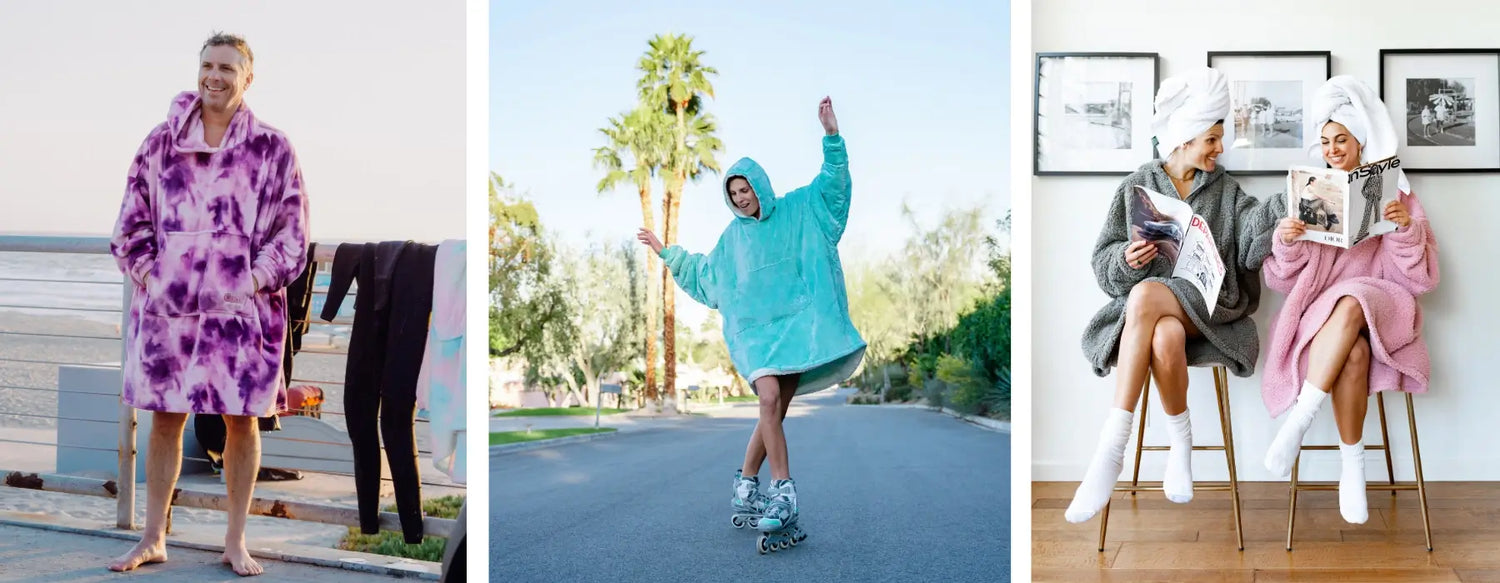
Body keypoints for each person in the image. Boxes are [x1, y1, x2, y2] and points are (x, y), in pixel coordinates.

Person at [107, 32, 310, 576]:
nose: (214, 76)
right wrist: (153, 276)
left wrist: (250, 283)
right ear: (197, 70)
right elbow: (130, 221)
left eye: (226, 67)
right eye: (207, 65)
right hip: (167, 315)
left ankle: (235, 541)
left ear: (247, 77)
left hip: (240, 317)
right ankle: (152, 536)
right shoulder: (160, 143)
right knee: (165, 420)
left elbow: (292, 235)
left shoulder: (273, 148)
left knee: (241, 422)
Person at [636, 97, 866, 552]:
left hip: (799, 328)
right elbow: (706, 275)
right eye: (734, 194)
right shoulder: (733, 239)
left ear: (760, 187)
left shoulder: (799, 209)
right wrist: (667, 251)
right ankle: (783, 491)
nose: (741, 199)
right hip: (756, 335)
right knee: (767, 398)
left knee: (775, 410)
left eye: (747, 191)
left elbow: (834, 188)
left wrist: (832, 137)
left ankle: (745, 482)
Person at [1066, 68, 1281, 523]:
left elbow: (1249, 250)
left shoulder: (1227, 191)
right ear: (1186, 137)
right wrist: (1127, 258)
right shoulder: (1135, 187)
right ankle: (1181, 446)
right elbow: (1102, 264)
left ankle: (1111, 449)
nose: (1219, 149)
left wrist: (1281, 208)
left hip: (1209, 308)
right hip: (1160, 317)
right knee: (1162, 333)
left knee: (1146, 298)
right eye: (1212, 138)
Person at [1261, 76, 1439, 525]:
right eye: (1324, 142)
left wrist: (1405, 231)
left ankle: (1299, 420)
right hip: (1322, 316)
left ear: (1359, 140)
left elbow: (1422, 281)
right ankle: (1353, 468)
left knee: (1354, 298)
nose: (1332, 149)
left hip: (1380, 302)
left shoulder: (1397, 194)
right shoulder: (1314, 189)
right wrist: (1287, 242)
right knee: (1355, 355)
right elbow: (1282, 281)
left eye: (1341, 139)